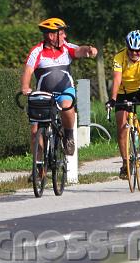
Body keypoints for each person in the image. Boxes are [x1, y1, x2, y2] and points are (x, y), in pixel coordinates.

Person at [21, 18, 98, 159]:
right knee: (34, 131)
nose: (65, 36)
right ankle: (39, 170)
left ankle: (68, 136)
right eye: (62, 33)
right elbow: (28, 71)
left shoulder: (67, 48)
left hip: (65, 90)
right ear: (51, 36)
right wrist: (25, 87)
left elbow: (80, 50)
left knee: (67, 105)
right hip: (43, 94)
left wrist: (89, 50)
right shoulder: (37, 51)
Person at [106, 30, 140, 180]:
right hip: (123, 90)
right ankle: (125, 163)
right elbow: (116, 80)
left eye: (138, 50)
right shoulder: (118, 57)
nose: (135, 53)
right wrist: (113, 99)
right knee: (121, 128)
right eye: (132, 50)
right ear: (127, 47)